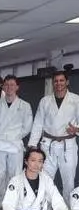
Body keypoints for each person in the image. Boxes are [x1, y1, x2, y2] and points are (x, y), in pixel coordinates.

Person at [28, 71, 79, 203]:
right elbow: (38, 123)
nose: (59, 83)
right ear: (53, 83)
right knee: (45, 178)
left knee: (68, 180)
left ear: (67, 82)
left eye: (62, 80)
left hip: (68, 145)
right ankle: (45, 207)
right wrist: (33, 145)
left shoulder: (76, 100)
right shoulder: (45, 101)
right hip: (48, 144)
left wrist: (76, 129)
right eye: (56, 81)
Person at [3, 148, 72, 210]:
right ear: (26, 162)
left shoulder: (46, 179)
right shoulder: (16, 180)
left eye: (40, 161)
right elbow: (7, 204)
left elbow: (57, 199)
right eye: (33, 160)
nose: (36, 164)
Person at [0, 75, 33, 208]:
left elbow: (27, 127)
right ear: (3, 87)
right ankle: (0, 202)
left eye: (12, 85)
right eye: (6, 85)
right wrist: (2, 136)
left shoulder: (25, 105)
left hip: (15, 145)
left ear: (17, 87)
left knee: (15, 175)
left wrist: (13, 136)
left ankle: (14, 202)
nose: (9, 87)